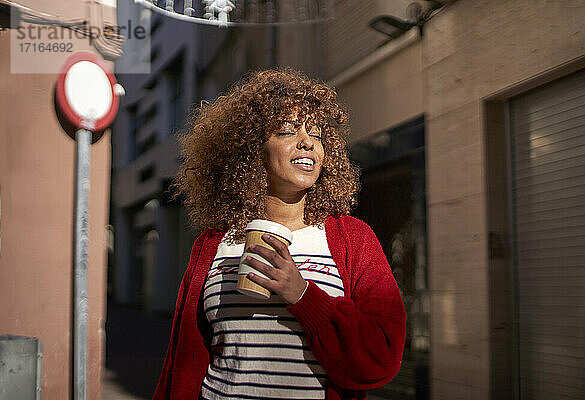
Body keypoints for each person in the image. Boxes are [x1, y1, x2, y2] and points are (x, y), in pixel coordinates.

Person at [153, 67, 406, 400]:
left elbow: (381, 357)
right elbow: (182, 362)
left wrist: (302, 294)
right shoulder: (213, 244)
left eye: (316, 133)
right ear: (253, 150)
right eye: (287, 131)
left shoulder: (352, 239)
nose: (307, 142)